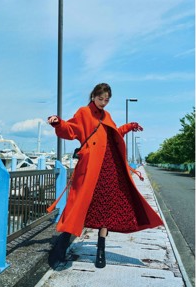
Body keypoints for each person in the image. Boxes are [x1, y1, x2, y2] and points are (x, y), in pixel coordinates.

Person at [47, 83, 163, 269]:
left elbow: (115, 133)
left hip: (109, 168)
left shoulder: (107, 116)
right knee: (78, 207)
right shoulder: (84, 112)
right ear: (93, 96)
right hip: (91, 167)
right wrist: (58, 123)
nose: (103, 103)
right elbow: (70, 130)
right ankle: (60, 248)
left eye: (107, 100)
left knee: (106, 208)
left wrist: (130, 126)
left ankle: (100, 251)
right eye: (101, 99)